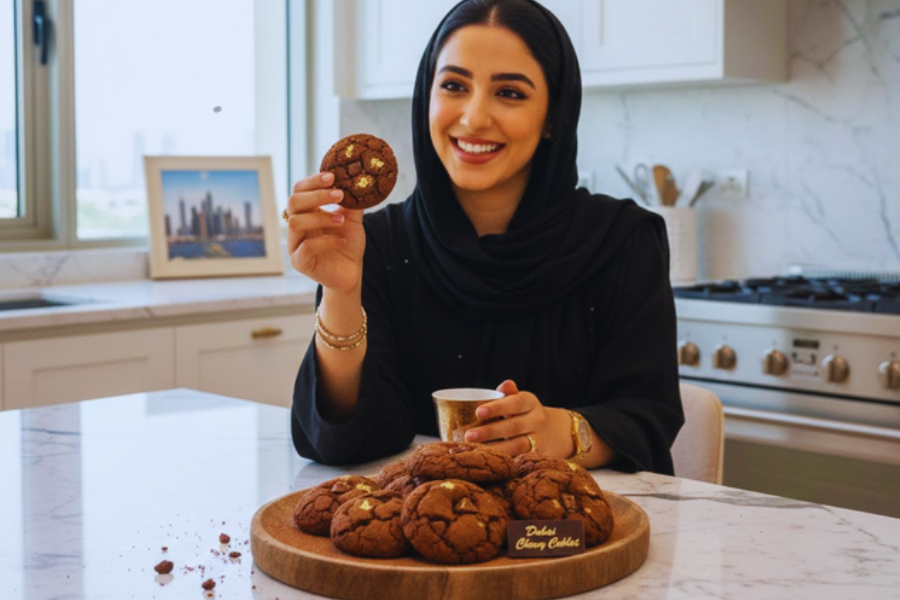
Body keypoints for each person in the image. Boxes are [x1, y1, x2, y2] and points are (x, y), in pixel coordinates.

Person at [286, 0, 683, 473]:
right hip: (418, 529)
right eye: (454, 85)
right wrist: (341, 292)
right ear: (426, 97)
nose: (474, 118)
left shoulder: (624, 241)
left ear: (553, 115)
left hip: (568, 533)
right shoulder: (376, 241)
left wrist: (563, 431)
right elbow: (347, 438)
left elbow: (647, 418)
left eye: (510, 93)